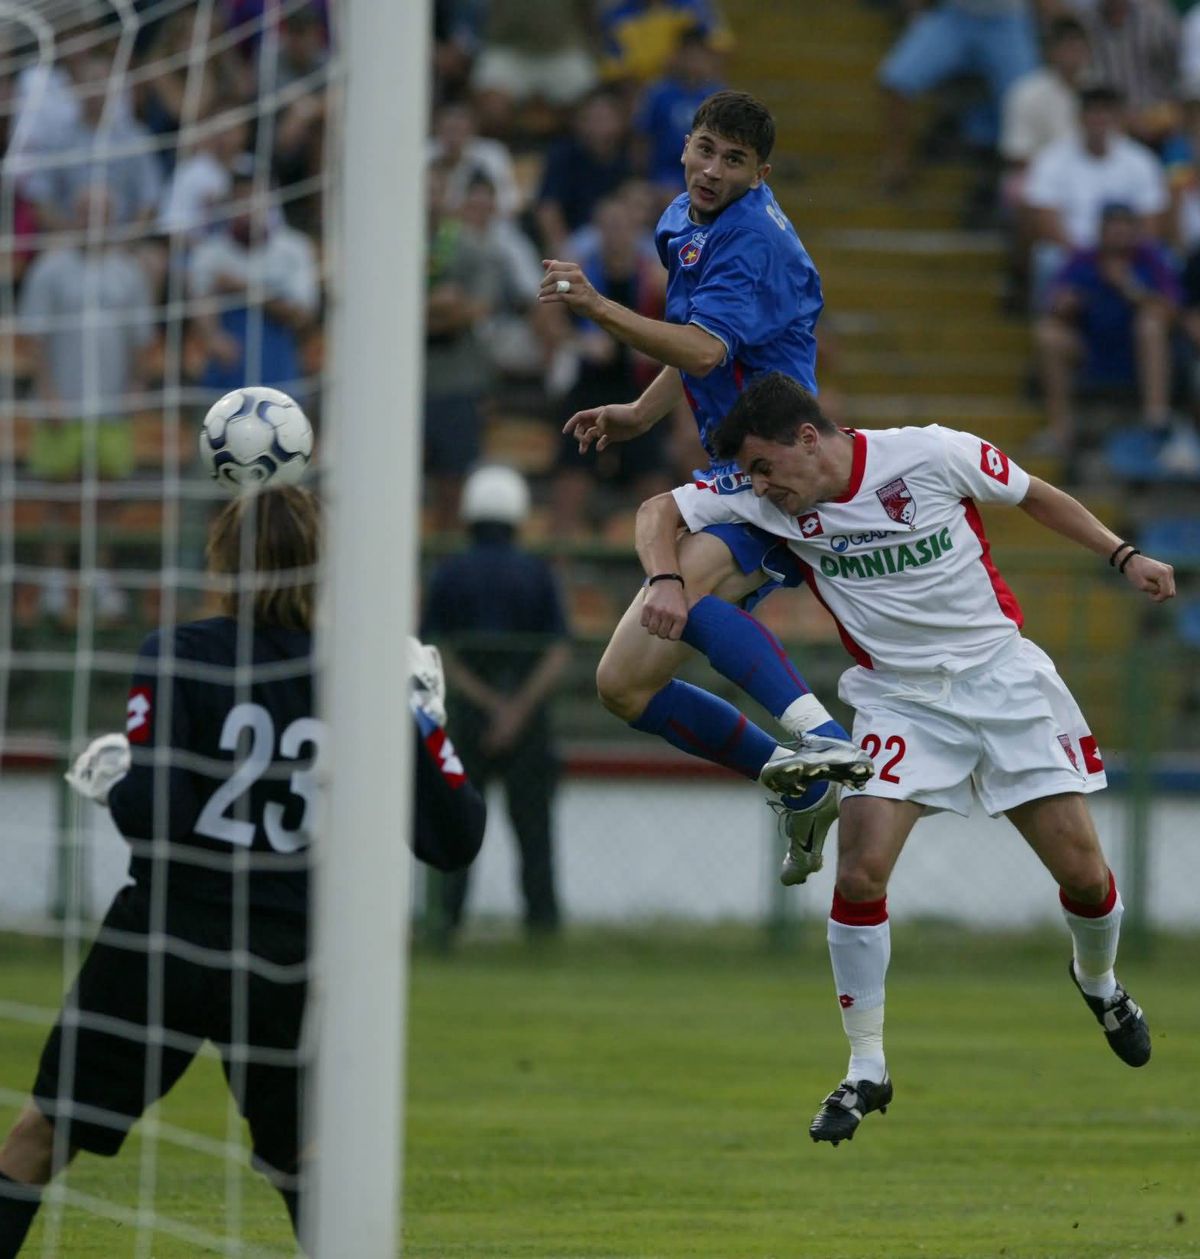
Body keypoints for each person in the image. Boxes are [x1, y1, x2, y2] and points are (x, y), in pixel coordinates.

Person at [633, 371, 1175, 1145]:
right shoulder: (767, 500)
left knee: (1085, 875)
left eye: (764, 467)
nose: (758, 486)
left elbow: (1034, 494)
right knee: (859, 870)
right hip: (900, 700)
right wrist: (664, 577)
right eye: (749, 474)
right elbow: (657, 510)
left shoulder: (929, 454)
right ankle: (866, 1067)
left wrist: (1124, 556)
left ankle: (1099, 982)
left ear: (807, 438)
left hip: (1003, 681)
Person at [0, 486, 485, 1257]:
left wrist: (121, 780)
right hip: (288, 950)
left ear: (223, 563)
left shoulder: (180, 651)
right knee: (307, 1161)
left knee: (40, 1134)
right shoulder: (360, 675)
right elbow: (455, 840)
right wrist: (426, 724)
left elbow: (154, 816)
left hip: (167, 934)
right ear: (328, 566)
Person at [539, 89, 873, 858]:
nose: (714, 170)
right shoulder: (681, 219)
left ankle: (823, 735)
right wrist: (639, 412)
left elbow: (704, 348)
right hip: (738, 461)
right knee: (622, 683)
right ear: (686, 144)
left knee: (672, 572)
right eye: (705, 150)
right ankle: (799, 780)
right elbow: (700, 344)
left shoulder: (750, 238)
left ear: (761, 173)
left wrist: (596, 306)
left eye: (735, 160)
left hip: (784, 463)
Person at [422, 465, 571, 938]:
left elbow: (438, 650)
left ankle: (445, 921)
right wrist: (516, 709)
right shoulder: (538, 573)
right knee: (534, 828)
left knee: (456, 822)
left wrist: (486, 704)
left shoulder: (449, 572)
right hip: (528, 718)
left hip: (466, 717)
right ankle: (542, 925)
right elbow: (558, 651)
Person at [1035, 202, 1181, 458]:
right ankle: (1061, 431)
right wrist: (1066, 304)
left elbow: (1172, 311)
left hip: (1138, 352)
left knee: (1151, 324)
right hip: (1091, 348)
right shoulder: (1083, 259)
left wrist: (1129, 287)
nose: (1119, 237)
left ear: (1135, 232)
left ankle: (1156, 418)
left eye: (1125, 230)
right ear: (1101, 232)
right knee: (1048, 334)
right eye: (1113, 230)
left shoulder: (1151, 259)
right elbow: (1053, 305)